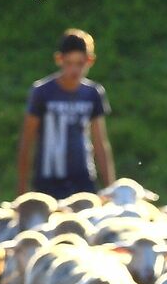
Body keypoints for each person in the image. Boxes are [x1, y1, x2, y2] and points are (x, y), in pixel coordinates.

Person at [16, 28, 113, 199]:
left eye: (80, 63)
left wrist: (110, 188)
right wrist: (22, 193)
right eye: (69, 63)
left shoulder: (93, 93)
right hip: (48, 181)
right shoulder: (42, 92)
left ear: (90, 61)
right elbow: (27, 141)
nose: (74, 70)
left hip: (83, 180)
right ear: (59, 59)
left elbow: (100, 143)